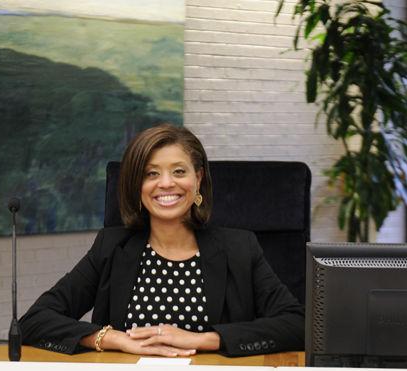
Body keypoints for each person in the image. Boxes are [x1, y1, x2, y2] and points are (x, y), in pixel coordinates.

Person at [20, 123, 305, 357]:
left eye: (179, 171)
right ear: (137, 187)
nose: (166, 183)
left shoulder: (239, 248)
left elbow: (298, 325)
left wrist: (205, 340)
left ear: (198, 179)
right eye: (151, 173)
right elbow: (34, 321)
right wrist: (112, 339)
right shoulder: (112, 247)